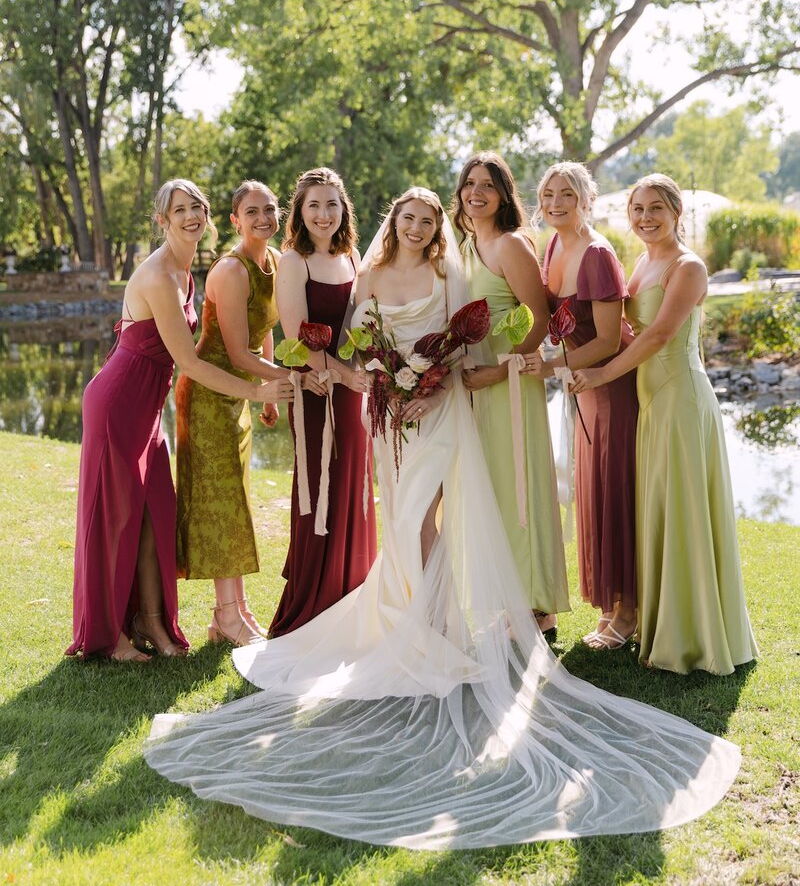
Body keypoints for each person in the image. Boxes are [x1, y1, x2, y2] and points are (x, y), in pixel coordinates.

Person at [145, 190, 741, 847]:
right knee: (402, 521)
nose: (419, 226)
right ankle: (413, 623)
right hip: (389, 417)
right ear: (393, 222)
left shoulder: (445, 274)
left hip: (440, 413)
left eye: (428, 220)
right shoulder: (367, 276)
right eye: (409, 217)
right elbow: (353, 344)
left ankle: (434, 629)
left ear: (436, 231)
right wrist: (379, 377)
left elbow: (463, 346)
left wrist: (432, 375)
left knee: (428, 516)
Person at [67, 180, 293, 663]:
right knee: (117, 517)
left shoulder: (188, 270)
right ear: (162, 221)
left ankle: (151, 620)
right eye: (179, 210)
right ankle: (110, 637)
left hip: (149, 409)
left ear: (208, 217)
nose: (191, 216)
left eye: (196, 208)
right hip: (117, 404)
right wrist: (256, 391)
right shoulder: (157, 276)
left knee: (155, 517)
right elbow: (190, 364)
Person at [571, 174, 758, 675]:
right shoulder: (639, 263)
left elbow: (656, 336)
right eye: (637, 208)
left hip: (679, 400)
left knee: (683, 511)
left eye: (656, 208)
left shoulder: (689, 266)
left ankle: (690, 634)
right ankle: (653, 618)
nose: (645, 217)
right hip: (648, 403)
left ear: (677, 212)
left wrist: (599, 374)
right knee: (659, 510)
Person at [175, 181, 327, 647]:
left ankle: (234, 613)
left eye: (270, 210)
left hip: (240, 394)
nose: (263, 218)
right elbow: (238, 354)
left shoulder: (275, 262)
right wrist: (285, 381)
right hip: (207, 394)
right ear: (235, 219)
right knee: (222, 505)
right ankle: (226, 614)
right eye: (252, 211)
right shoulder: (231, 270)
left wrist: (266, 392)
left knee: (237, 500)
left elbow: (264, 331)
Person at [454, 152, 569, 634]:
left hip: (509, 387)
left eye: (488, 185)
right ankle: (507, 602)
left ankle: (535, 609)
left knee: (520, 488)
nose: (476, 192)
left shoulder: (510, 245)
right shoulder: (462, 244)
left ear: (503, 194)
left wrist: (499, 374)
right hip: (472, 388)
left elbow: (539, 318)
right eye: (469, 183)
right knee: (490, 493)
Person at [529, 162, 638, 650]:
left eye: (566, 194)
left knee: (615, 490)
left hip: (611, 385)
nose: (555, 202)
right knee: (592, 489)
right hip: (581, 386)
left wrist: (551, 366)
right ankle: (610, 606)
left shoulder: (596, 254)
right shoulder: (553, 245)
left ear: (585, 200)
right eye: (548, 193)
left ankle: (630, 611)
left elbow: (610, 338)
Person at [268, 167, 377, 637]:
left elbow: (361, 323)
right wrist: (346, 377)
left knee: (354, 485)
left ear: (343, 209)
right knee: (319, 488)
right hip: (317, 394)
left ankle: (352, 596)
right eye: (314, 204)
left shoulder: (352, 255)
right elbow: (296, 336)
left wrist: (366, 368)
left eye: (332, 204)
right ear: (300, 211)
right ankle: (312, 603)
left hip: (352, 395)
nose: (323, 213)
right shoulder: (294, 261)